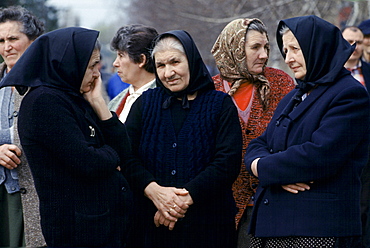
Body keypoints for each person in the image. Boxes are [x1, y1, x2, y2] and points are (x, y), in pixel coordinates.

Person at [0, 27, 133, 247]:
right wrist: (112, 155)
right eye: (91, 66)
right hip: (78, 231)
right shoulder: (44, 102)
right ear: (71, 63)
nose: (97, 73)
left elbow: (123, 147)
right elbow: (89, 162)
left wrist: (100, 104)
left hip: (99, 225)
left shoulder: (74, 96)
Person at [244, 15, 370, 247]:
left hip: (317, 229)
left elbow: (320, 155)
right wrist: (272, 169)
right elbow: (259, 144)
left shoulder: (349, 94)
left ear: (318, 47)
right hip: (274, 226)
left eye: (295, 49)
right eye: (285, 50)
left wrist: (264, 167)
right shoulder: (295, 95)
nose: (288, 58)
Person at [124, 30, 242, 248]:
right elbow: (126, 156)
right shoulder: (145, 103)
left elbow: (227, 162)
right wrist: (154, 192)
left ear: (191, 60)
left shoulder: (219, 104)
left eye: (175, 62)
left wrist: (181, 201)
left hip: (208, 227)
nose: (168, 73)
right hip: (151, 226)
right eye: (161, 66)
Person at [211, 18, 295, 248]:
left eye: (266, 47)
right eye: (255, 47)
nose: (264, 54)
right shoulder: (211, 90)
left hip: (273, 202)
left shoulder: (280, 83)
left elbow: (295, 135)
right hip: (222, 208)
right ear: (235, 48)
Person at [0, 6, 45, 247]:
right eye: (1, 40)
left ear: (34, 41)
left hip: (37, 200)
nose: (6, 46)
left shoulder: (50, 86)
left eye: (13, 39)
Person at [108, 24, 158, 123]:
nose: (115, 63)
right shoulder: (117, 101)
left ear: (141, 59)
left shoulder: (162, 99)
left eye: (121, 56)